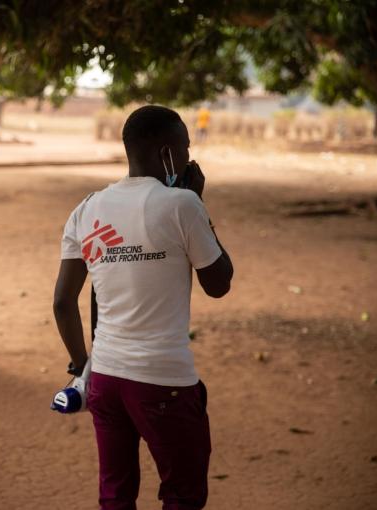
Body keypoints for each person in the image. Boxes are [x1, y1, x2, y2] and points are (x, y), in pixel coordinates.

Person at [53, 105, 233, 510]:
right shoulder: (182, 205)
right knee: (182, 494)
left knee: (115, 496)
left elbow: (63, 303)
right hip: (162, 378)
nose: (189, 157)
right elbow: (219, 283)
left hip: (106, 379)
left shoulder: (86, 209)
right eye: (185, 147)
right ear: (166, 152)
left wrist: (82, 367)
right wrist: (198, 205)